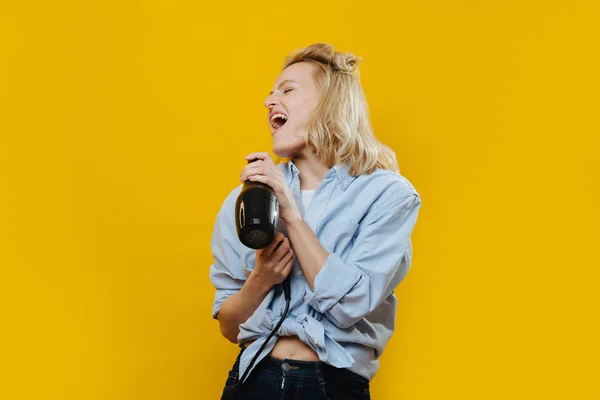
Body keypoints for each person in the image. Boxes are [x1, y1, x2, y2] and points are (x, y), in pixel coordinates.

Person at [209, 42, 422, 399]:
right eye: (270, 93)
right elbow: (230, 327)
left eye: (287, 89)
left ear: (329, 103)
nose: (269, 101)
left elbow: (350, 305)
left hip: (332, 385)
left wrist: (290, 213)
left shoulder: (387, 195)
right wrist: (261, 279)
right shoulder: (248, 200)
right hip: (253, 379)